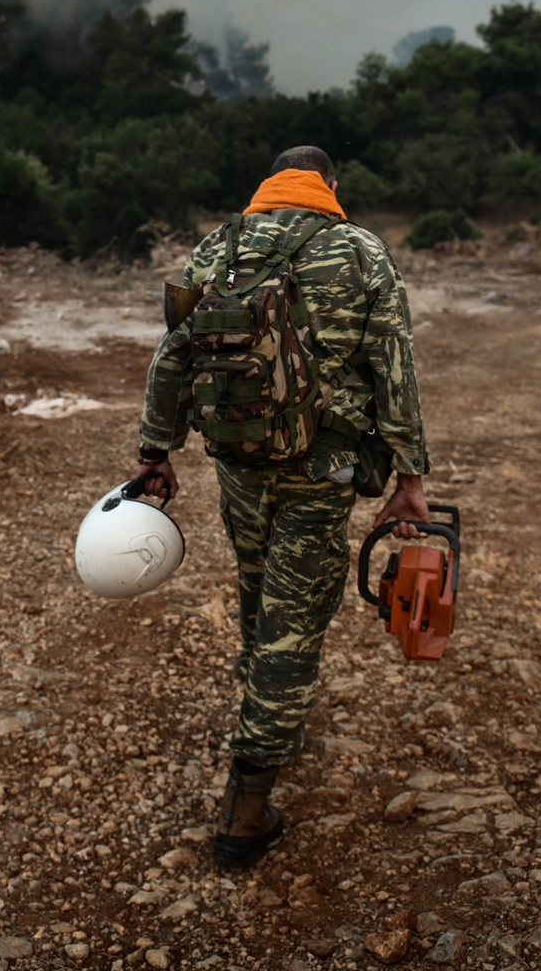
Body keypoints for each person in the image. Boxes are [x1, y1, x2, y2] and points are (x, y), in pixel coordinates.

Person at [133, 145, 431, 869]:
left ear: (270, 181)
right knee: (294, 623)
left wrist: (155, 452)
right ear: (332, 185)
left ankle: (264, 700)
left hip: (239, 461)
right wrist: (410, 476)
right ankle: (248, 806)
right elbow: (394, 362)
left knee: (258, 584)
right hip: (321, 466)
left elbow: (174, 356)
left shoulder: (220, 245)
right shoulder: (360, 251)